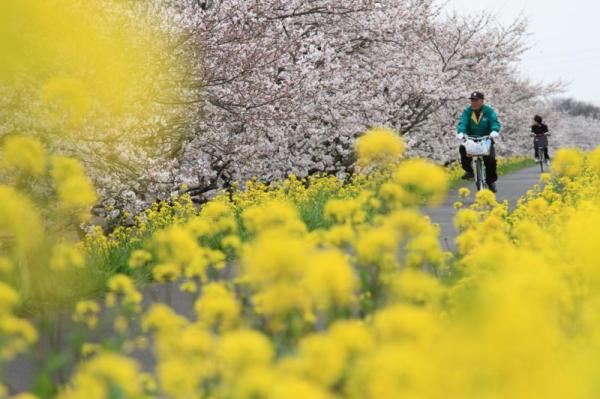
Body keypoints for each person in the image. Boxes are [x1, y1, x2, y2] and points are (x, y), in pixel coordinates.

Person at [456, 91, 502, 193]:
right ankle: (469, 171)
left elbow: (494, 122)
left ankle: (490, 182)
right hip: (471, 139)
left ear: (482, 101)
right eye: (472, 100)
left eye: (476, 100)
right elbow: (462, 122)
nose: (474, 102)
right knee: (462, 149)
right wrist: (461, 132)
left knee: (490, 159)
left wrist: (494, 130)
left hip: (486, 139)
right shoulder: (467, 112)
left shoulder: (488, 111)